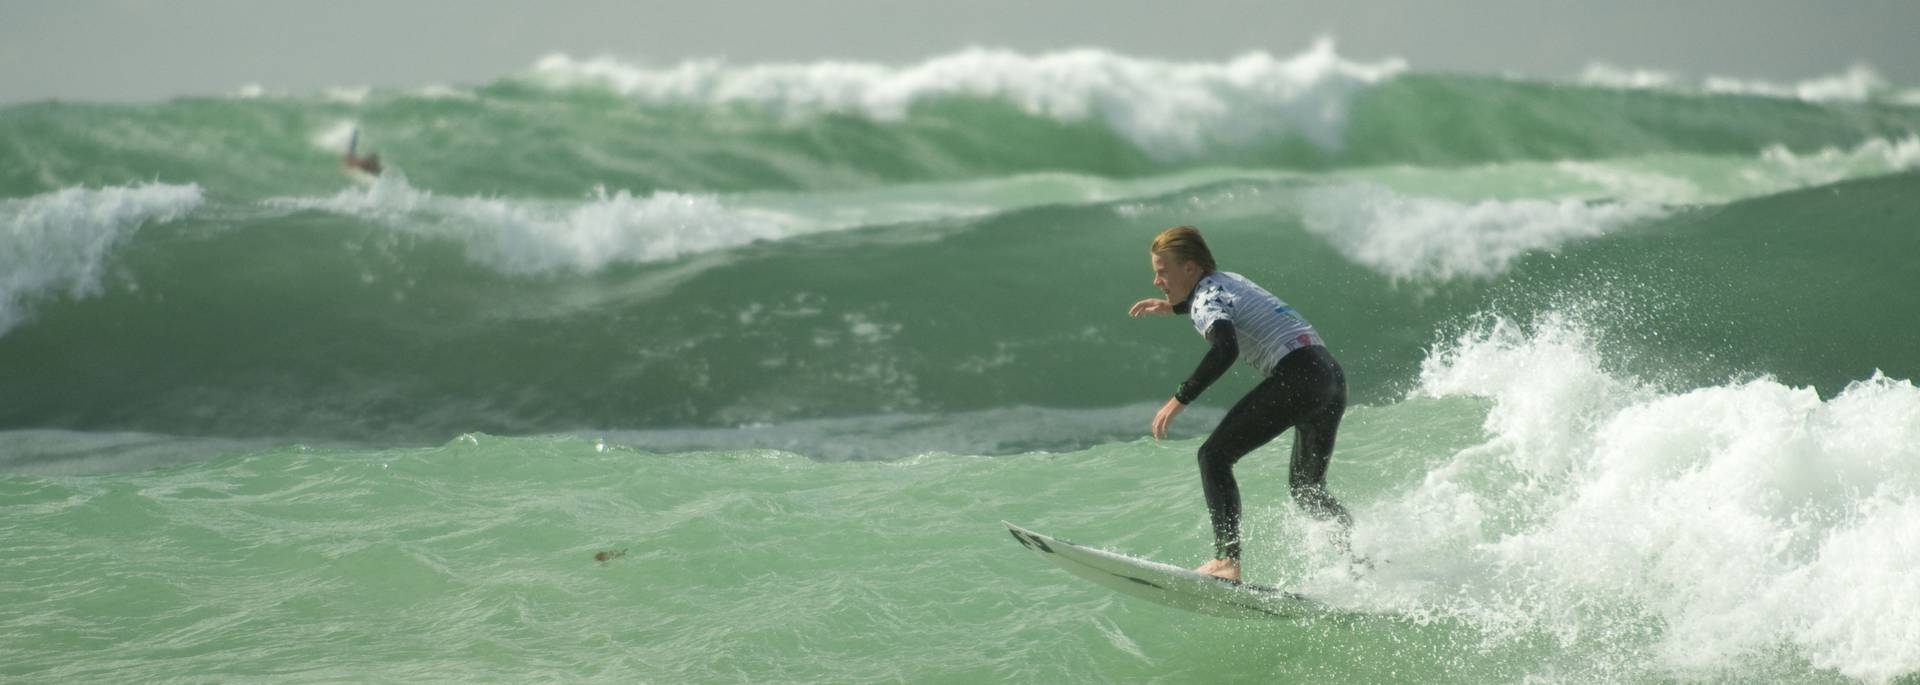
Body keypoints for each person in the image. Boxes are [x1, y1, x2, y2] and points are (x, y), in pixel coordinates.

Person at [1128, 225, 1352, 583]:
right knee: (1308, 489)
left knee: (1213, 456)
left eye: (1161, 271)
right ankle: (1355, 556)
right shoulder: (1228, 280)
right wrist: (1175, 309)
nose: (1156, 280)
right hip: (1329, 378)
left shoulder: (1205, 300)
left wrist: (1179, 398)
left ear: (1189, 268)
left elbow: (1225, 347)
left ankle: (1226, 561)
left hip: (1297, 375)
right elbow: (1222, 306)